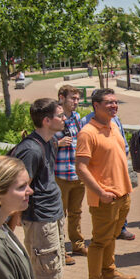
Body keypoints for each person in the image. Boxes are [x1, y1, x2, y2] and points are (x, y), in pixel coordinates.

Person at [10, 99, 75, 279]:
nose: (65, 119)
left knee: (45, 273)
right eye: (60, 116)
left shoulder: (49, 142)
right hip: (39, 219)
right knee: (40, 274)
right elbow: (18, 187)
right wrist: (14, 219)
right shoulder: (31, 150)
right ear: (46, 121)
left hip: (51, 215)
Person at [75, 89, 136, 279]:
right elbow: (81, 168)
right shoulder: (87, 132)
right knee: (99, 242)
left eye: (115, 102)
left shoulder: (114, 126)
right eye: (108, 103)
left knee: (111, 236)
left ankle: (109, 271)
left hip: (122, 193)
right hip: (104, 198)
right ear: (96, 105)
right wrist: (101, 192)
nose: (114, 106)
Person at [54, 86, 86, 259]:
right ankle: (60, 248)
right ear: (61, 98)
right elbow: (41, 141)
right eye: (72, 98)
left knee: (76, 212)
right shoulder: (53, 117)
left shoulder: (77, 118)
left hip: (77, 174)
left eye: (77, 99)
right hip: (60, 175)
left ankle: (78, 244)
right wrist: (57, 143)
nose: (76, 102)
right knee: (60, 214)